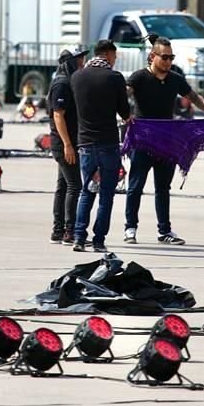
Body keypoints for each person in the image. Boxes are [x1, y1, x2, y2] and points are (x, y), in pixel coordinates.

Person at [124, 36, 204, 245]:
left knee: (163, 188)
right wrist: (122, 112)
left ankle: (164, 230)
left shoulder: (174, 79)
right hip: (143, 140)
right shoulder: (138, 78)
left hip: (167, 141)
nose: (168, 61)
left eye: (171, 57)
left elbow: (192, 96)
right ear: (152, 56)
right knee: (135, 185)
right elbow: (123, 94)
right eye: (164, 57)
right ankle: (130, 228)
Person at [70, 40, 131, 253]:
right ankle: (98, 240)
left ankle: (79, 237)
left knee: (86, 191)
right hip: (108, 143)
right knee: (106, 194)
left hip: (85, 142)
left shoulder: (77, 77)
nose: (115, 61)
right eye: (114, 56)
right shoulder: (114, 78)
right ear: (108, 54)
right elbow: (125, 111)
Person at [47, 46, 89, 245]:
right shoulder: (61, 84)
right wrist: (68, 145)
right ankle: (70, 231)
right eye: (79, 59)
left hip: (69, 141)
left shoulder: (70, 81)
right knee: (75, 186)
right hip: (64, 143)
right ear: (69, 62)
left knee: (63, 185)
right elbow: (58, 115)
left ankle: (58, 230)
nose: (82, 62)